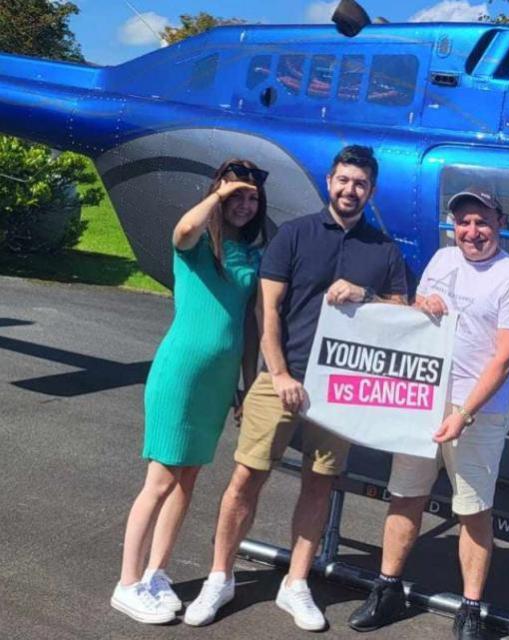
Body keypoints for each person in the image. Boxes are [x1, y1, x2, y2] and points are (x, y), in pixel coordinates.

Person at [184, 145, 408, 631]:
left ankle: (296, 583)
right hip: (281, 378)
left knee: (320, 482)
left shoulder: (384, 249)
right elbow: (268, 312)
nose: (351, 190)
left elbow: (399, 313)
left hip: (343, 388)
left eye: (361, 184)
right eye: (344, 180)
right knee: (247, 478)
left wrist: (365, 294)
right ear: (330, 181)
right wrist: (280, 373)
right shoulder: (293, 234)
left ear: (371, 191)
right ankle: (219, 577)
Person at [347, 186, 509, 640]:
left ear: (500, 223)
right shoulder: (441, 260)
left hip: (478, 412)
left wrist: (465, 412)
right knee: (405, 495)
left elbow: (505, 358)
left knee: (473, 510)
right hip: (425, 399)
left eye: (482, 221)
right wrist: (423, 306)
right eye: (463, 221)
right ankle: (387, 587)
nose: (472, 231)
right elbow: (420, 319)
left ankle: (470, 606)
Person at [111, 159, 268, 624]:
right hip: (180, 374)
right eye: (235, 194)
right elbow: (183, 228)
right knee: (159, 480)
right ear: (217, 193)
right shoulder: (196, 243)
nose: (243, 203)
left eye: (251, 196)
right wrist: (219, 195)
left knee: (188, 479)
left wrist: (245, 382)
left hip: (218, 384)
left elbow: (247, 327)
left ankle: (156, 572)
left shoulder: (251, 254)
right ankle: (126, 582)